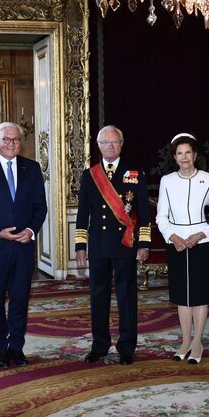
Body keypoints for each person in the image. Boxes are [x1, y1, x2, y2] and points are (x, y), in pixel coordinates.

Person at [0, 122, 48, 368]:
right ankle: (0, 347)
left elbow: (39, 207)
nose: (11, 143)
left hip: (23, 246)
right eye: (6, 139)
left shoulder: (32, 168)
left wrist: (30, 230)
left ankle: (17, 347)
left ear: (20, 142)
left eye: (15, 139)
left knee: (20, 299)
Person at [74, 126, 151, 365]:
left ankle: (127, 346)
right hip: (98, 245)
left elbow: (144, 213)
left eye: (115, 142)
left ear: (122, 144)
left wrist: (144, 243)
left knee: (127, 296)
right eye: (106, 143)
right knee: (98, 296)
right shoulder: (90, 175)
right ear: (98, 146)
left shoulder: (134, 174)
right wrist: (80, 245)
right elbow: (82, 213)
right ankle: (100, 344)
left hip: (125, 244)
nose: (110, 146)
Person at [156, 133, 209, 364]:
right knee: (182, 297)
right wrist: (173, 236)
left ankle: (198, 343)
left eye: (188, 153)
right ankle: (185, 341)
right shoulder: (166, 181)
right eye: (179, 153)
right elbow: (161, 217)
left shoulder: (208, 179)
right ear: (174, 157)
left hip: (201, 244)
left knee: (199, 296)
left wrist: (200, 234)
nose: (184, 157)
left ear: (195, 155)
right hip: (176, 244)